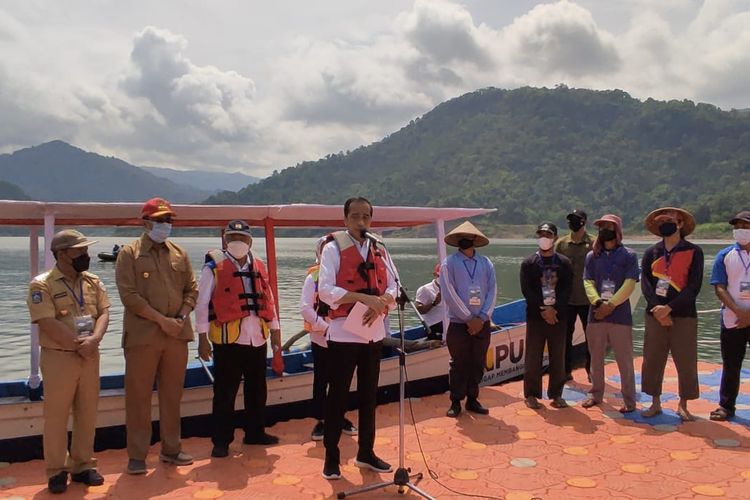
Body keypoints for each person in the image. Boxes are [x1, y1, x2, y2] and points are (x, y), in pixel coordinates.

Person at [115, 198, 199, 474]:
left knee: (172, 395)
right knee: (138, 397)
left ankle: (171, 449)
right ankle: (137, 456)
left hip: (176, 335)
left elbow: (192, 289)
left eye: (170, 220)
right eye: (161, 220)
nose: (166, 225)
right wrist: (161, 321)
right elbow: (129, 296)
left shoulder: (179, 253)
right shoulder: (129, 253)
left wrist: (181, 317)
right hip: (143, 337)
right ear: (146, 222)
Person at [317, 197, 397, 480]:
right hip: (343, 332)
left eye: (366, 216)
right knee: (337, 395)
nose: (361, 222)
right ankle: (331, 457)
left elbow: (394, 286)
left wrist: (381, 304)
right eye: (355, 216)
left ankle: (366, 453)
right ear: (345, 219)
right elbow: (326, 290)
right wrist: (363, 298)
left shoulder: (380, 248)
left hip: (373, 332)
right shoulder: (332, 249)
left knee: (368, 395)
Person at [27, 230, 110, 494]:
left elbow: (104, 312)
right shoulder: (42, 285)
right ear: (62, 254)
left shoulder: (93, 281)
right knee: (57, 416)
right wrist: (79, 344)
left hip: (90, 355)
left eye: (86, 250)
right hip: (60, 357)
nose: (86, 256)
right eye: (79, 251)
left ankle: (83, 465)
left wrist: (94, 340)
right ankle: (56, 470)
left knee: (87, 412)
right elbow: (47, 322)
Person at [196, 220, 284, 457]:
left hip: (257, 338)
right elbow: (202, 303)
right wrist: (202, 338)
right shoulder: (213, 266)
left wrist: (275, 330)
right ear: (225, 240)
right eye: (233, 237)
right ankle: (221, 441)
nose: (238, 242)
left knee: (257, 389)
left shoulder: (259, 266)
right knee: (225, 391)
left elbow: (269, 299)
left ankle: (255, 432)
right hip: (228, 341)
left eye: (242, 238)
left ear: (250, 241)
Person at [640, 207, 703, 421]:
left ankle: (683, 404)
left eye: (670, 220)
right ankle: (655, 402)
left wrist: (670, 308)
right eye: (662, 221)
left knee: (685, 360)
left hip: (683, 314)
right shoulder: (651, 253)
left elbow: (694, 287)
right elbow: (647, 285)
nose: (666, 223)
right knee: (653, 358)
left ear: (681, 223)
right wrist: (658, 308)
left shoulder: (694, 252)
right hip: (654, 314)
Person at [298, 236, 357, 442]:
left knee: (342, 380)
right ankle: (322, 421)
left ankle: (340, 417)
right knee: (322, 380)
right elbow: (305, 308)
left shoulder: (345, 275)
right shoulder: (313, 277)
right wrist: (325, 327)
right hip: (321, 338)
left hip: (344, 338)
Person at [581, 214, 639, 413]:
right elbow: (587, 282)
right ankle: (595, 394)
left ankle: (629, 400)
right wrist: (597, 302)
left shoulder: (629, 255)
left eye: (608, 226)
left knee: (625, 360)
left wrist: (611, 304)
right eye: (601, 226)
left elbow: (630, 283)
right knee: (596, 358)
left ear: (617, 230)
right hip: (596, 315)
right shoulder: (591, 256)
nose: (604, 229)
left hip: (620, 316)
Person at [440, 221, 497, 418]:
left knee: (477, 362)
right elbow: (449, 293)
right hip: (458, 323)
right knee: (458, 363)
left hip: (482, 323)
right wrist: (467, 318)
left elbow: (492, 291)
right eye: (460, 238)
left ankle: (473, 399)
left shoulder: (486, 263)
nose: (463, 240)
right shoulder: (449, 263)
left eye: (468, 237)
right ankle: (456, 401)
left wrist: (481, 318)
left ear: (474, 240)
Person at [520, 223, 573, 409]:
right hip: (536, 316)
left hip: (558, 316)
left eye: (548, 234)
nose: (544, 237)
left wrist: (554, 309)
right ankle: (532, 394)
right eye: (541, 234)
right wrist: (543, 309)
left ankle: (556, 394)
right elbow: (527, 290)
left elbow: (567, 290)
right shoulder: (528, 263)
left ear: (555, 238)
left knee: (558, 355)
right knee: (533, 356)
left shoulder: (564, 263)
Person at [709, 211, 750, 421]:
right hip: (731, 319)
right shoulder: (724, 255)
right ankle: (726, 406)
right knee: (731, 364)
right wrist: (738, 311)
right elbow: (719, 287)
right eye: (737, 226)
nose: (741, 230)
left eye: (745, 225)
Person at [555, 209, 594, 380]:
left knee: (591, 337)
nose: (573, 223)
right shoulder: (561, 244)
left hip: (588, 299)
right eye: (571, 220)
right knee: (565, 337)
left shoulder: (594, 243)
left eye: (577, 220)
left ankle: (591, 371)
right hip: (567, 299)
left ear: (584, 221)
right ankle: (566, 370)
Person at [415, 264, 445, 338]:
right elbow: (419, 310)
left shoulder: (452, 288)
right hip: (434, 325)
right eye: (440, 276)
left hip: (448, 322)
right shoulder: (425, 289)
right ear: (435, 274)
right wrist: (434, 303)